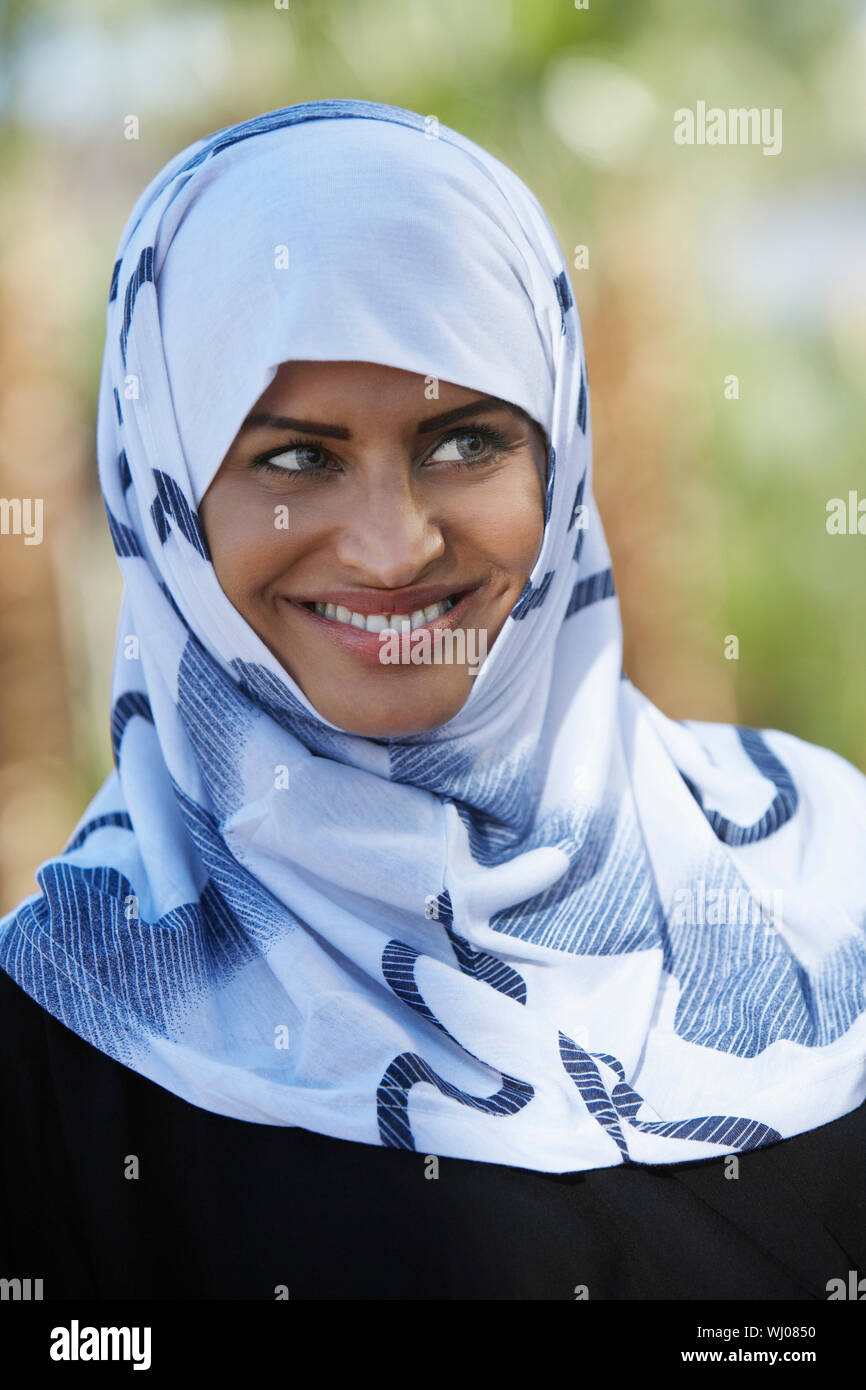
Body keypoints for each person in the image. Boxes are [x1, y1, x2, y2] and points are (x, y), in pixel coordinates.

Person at [1, 97, 865, 1301]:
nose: (392, 546)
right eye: (296, 457)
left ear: (557, 453)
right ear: (165, 498)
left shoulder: (828, 881)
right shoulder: (63, 1043)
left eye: (463, 442)